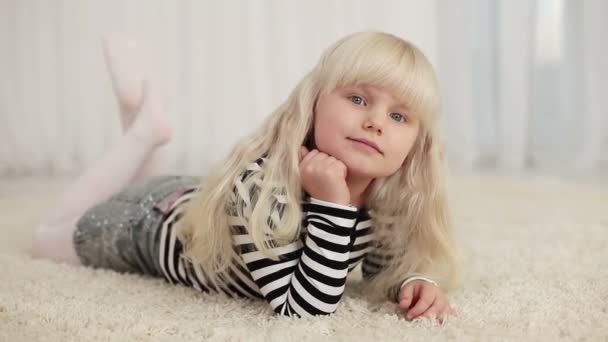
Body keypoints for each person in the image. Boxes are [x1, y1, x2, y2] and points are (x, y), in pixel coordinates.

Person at [30, 31, 462, 322]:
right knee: (43, 239)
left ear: (416, 145)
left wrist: (413, 281)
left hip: (186, 197)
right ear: (313, 103)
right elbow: (304, 311)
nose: (376, 122)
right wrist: (331, 204)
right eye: (357, 98)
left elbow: (379, 268)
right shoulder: (259, 187)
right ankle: (142, 134)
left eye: (399, 115)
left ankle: (142, 121)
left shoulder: (385, 198)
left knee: (142, 184)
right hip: (143, 226)